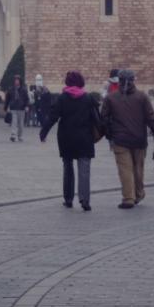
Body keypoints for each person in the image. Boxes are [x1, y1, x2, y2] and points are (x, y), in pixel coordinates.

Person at [100, 69, 154, 209]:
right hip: (139, 138)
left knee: (125, 169)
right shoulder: (142, 97)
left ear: (119, 81)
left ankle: (129, 198)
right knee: (138, 168)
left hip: (120, 139)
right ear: (133, 80)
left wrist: (109, 134)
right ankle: (138, 194)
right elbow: (151, 117)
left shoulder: (111, 98)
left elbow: (104, 119)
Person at [40, 70, 99, 211]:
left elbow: (53, 117)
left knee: (68, 168)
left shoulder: (62, 98)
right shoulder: (88, 98)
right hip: (84, 138)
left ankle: (68, 199)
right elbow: (97, 119)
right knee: (84, 170)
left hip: (66, 138)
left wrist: (44, 132)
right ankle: (85, 200)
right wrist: (108, 134)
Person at [6, 75, 29, 142]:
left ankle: (20, 136)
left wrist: (27, 106)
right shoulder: (11, 89)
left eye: (17, 80)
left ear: (20, 81)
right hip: (13, 108)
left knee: (21, 124)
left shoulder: (23, 89)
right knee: (14, 122)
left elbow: (27, 99)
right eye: (15, 80)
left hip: (21, 108)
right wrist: (6, 107)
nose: (16, 81)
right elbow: (7, 99)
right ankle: (13, 135)